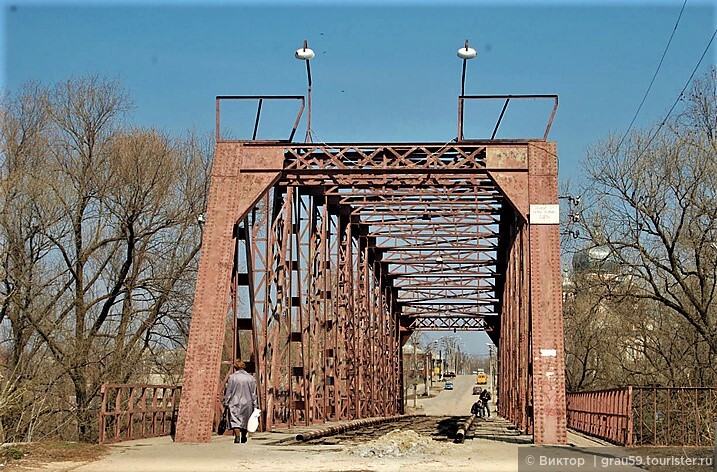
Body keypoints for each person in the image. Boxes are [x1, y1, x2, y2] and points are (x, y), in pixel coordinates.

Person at [223, 359, 259, 444]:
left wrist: (226, 401)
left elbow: (229, 391)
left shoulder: (232, 377)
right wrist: (255, 404)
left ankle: (237, 436)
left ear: (235, 367)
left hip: (234, 401)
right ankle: (243, 436)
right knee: (245, 419)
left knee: (235, 419)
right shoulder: (250, 378)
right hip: (248, 401)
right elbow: (253, 392)